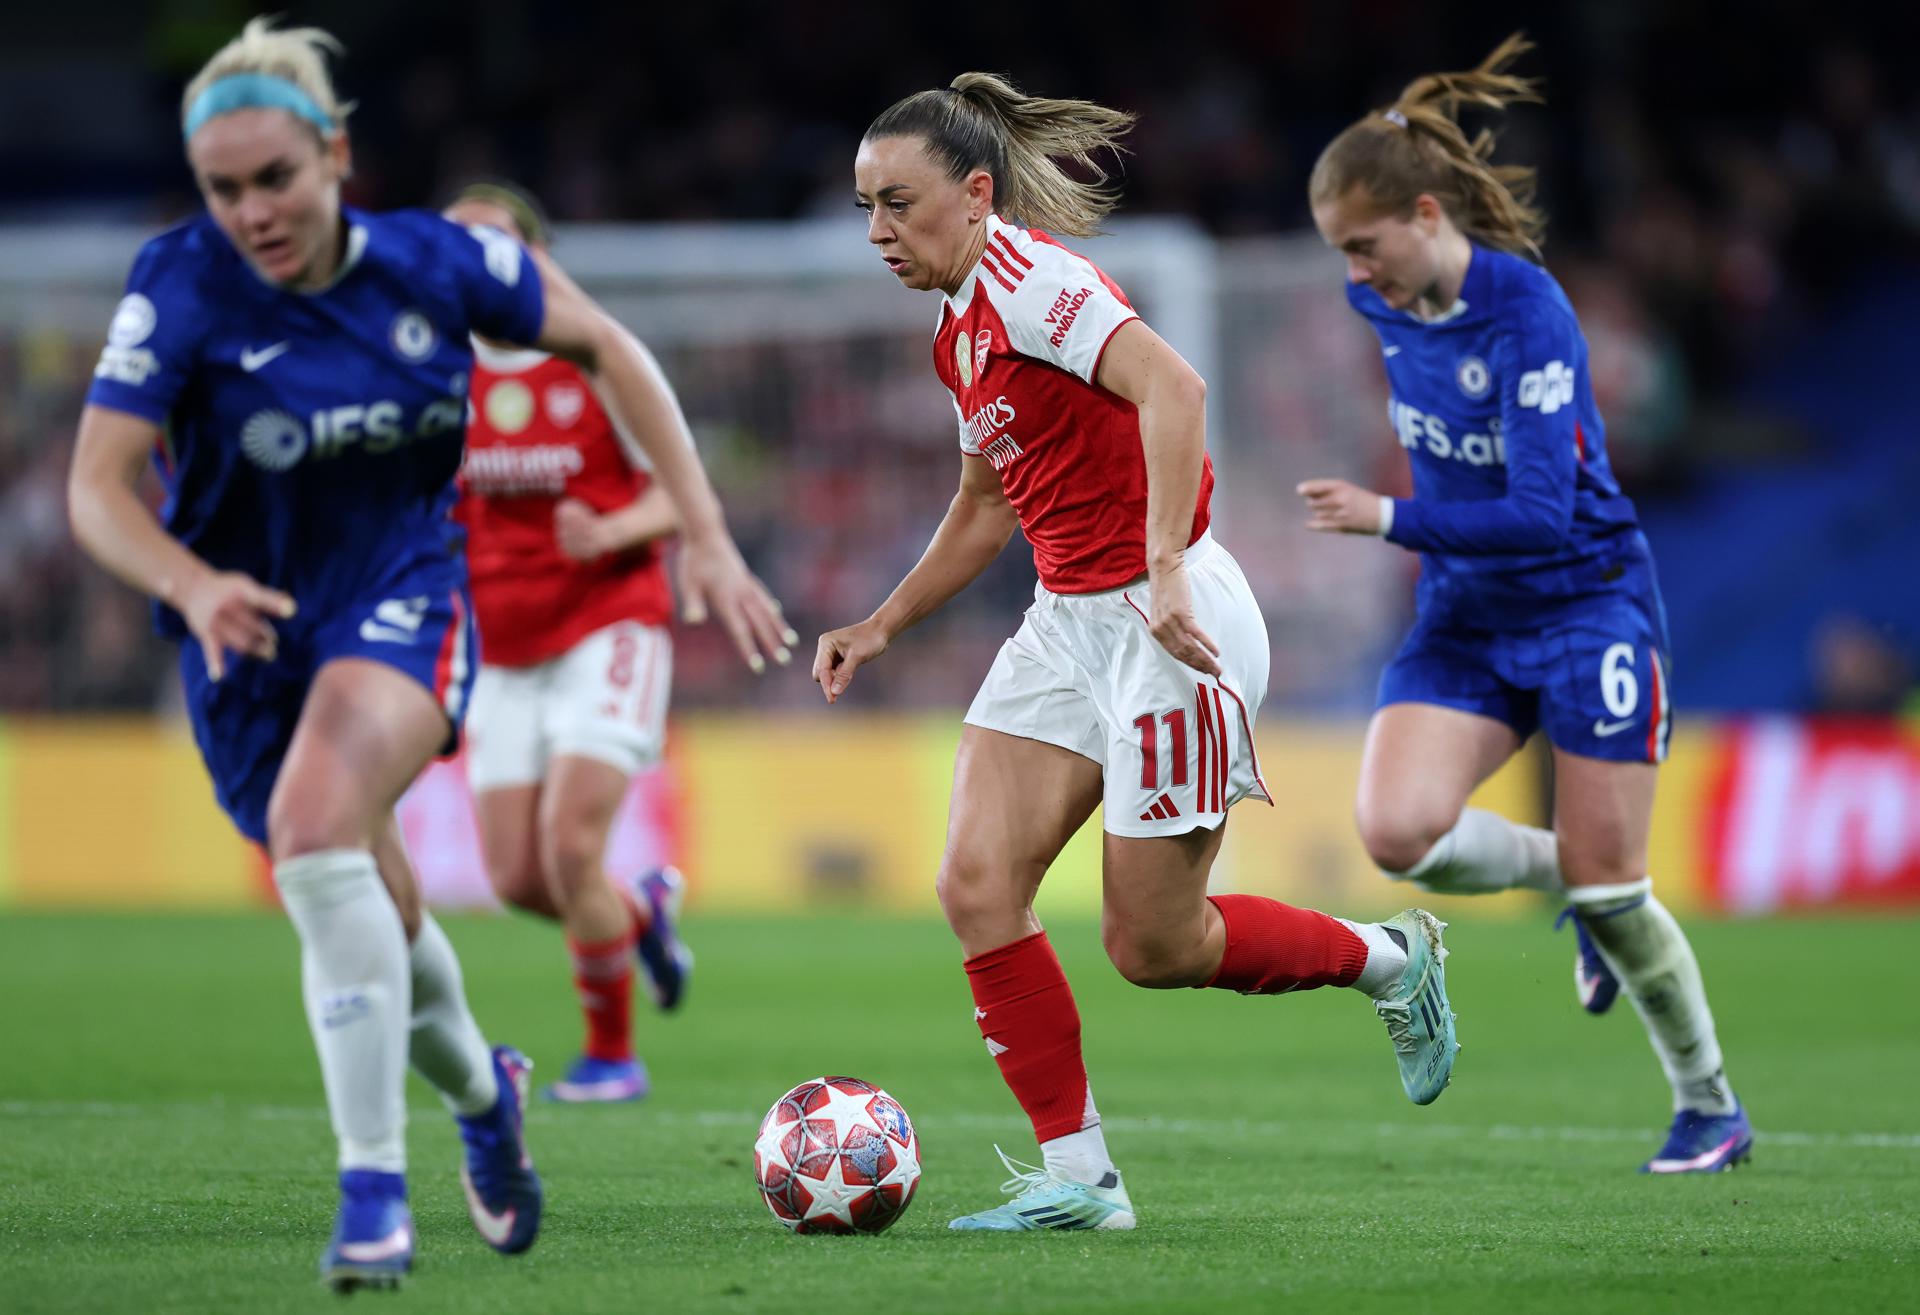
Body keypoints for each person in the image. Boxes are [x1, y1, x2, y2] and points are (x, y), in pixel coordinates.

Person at [66, 18, 791, 1292]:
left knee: (315, 826)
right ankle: (484, 1092)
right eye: (223, 189)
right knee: (372, 899)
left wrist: (709, 535)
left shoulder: (440, 264)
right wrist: (188, 579)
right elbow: (97, 488)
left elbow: (610, 345)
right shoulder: (175, 283)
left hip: (403, 604)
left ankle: (371, 1196)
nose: (251, 212)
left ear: (337, 153)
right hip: (243, 628)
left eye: (275, 179)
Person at [817, 73, 1459, 1234]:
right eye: (865, 207)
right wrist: (883, 621)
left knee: (1155, 946)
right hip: (1069, 620)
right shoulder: (960, 331)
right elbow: (982, 503)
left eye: (896, 204)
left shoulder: (1032, 282)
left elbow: (1176, 384)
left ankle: (1389, 958)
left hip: (1174, 620)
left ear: (973, 194)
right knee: (975, 885)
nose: (877, 232)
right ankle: (1080, 1179)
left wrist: (1163, 564)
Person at [1298, 34, 1751, 1173]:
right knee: (1398, 831)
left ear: (1428, 213)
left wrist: (1388, 516)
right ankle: (1575, 880)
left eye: (1365, 247)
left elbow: (1545, 514)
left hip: (1587, 602)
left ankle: (1710, 1105)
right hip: (1465, 618)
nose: (1357, 275)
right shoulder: (1390, 306)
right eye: (1340, 255)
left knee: (1625, 888)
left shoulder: (1531, 313)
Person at [443, 181, 693, 1105]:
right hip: (502, 648)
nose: (477, 264)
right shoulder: (433, 368)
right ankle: (645, 915)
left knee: (569, 846)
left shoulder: (593, 356)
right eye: (457, 246)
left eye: (497, 245)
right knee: (515, 876)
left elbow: (683, 488)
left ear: (537, 258)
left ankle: (611, 1054)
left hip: (607, 623)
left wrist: (620, 530)